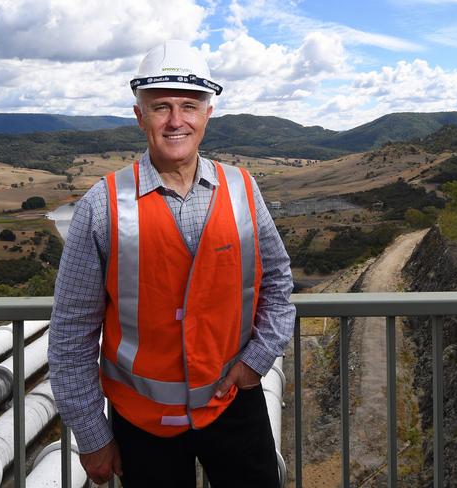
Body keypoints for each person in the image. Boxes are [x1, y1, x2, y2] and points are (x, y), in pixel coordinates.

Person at [49, 39, 295, 488]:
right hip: (143, 427)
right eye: (161, 107)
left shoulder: (243, 189)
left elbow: (278, 283)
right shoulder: (102, 206)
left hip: (235, 406)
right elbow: (70, 335)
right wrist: (91, 436)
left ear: (208, 114)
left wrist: (257, 360)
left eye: (189, 105)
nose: (176, 120)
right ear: (139, 115)